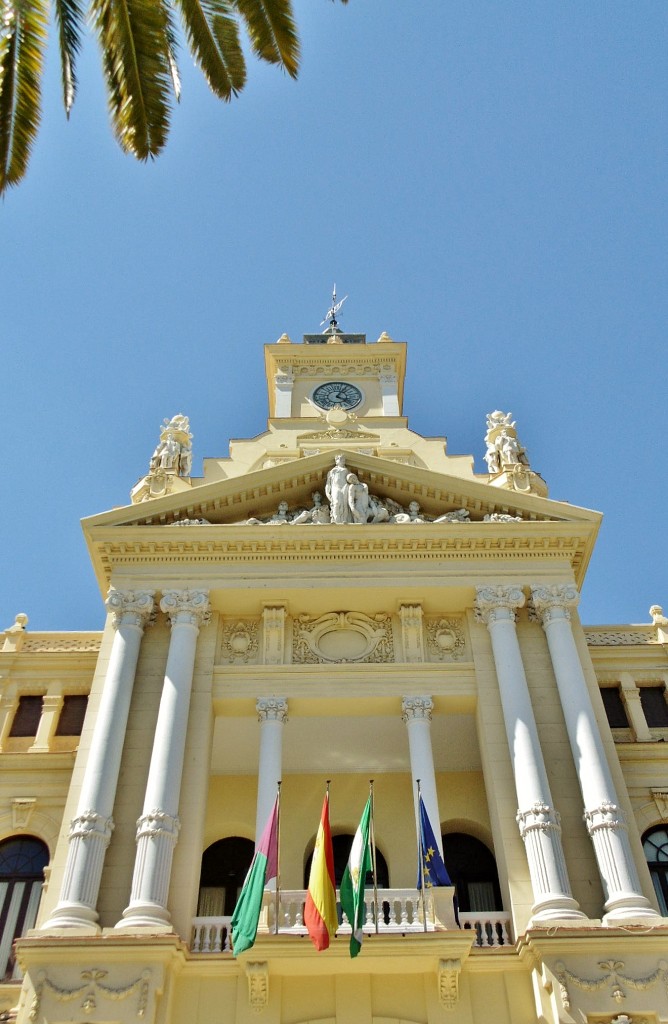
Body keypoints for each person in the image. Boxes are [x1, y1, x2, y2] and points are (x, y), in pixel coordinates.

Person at [325, 455, 351, 523]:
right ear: (336, 461)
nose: (341, 460)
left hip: (345, 487)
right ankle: (336, 520)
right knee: (336, 503)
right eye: (339, 458)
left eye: (342, 459)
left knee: (345, 504)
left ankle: (345, 519)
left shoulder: (347, 471)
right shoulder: (332, 471)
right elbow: (328, 484)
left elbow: (351, 480)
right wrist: (327, 493)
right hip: (335, 488)